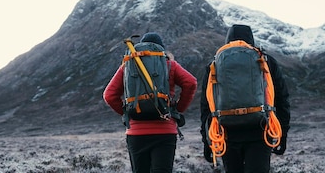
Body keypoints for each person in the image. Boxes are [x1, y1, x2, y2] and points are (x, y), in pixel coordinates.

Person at [200, 24, 291, 173]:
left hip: (227, 134)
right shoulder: (266, 61)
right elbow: (282, 99)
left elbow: (207, 106)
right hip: (260, 132)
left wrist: (207, 142)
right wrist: (283, 134)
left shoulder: (215, 65)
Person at [104, 32, 197, 173]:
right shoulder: (169, 65)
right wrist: (178, 108)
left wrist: (127, 112)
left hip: (136, 133)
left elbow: (109, 95)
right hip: (165, 132)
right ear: (161, 50)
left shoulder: (128, 66)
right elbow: (191, 83)